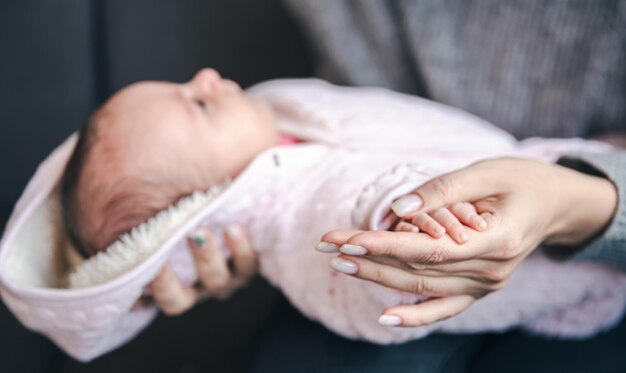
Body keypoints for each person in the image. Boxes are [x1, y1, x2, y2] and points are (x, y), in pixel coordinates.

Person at [56, 66, 626, 354]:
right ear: (200, 208)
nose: (206, 77)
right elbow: (348, 212)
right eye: (199, 106)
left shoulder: (278, 125)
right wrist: (400, 219)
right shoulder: (291, 216)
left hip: (569, 186)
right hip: (551, 258)